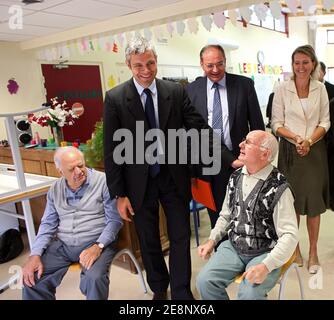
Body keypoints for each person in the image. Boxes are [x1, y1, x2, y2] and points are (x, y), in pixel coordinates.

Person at [103, 36, 241, 300]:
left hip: (173, 178)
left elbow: (201, 129)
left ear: (157, 61)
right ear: (128, 65)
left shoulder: (175, 92)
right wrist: (119, 194)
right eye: (139, 65)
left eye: (151, 63)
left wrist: (228, 158)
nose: (146, 71)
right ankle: (158, 288)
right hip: (138, 185)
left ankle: (180, 291)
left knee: (180, 237)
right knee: (149, 239)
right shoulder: (116, 98)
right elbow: (111, 151)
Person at [196, 130, 298, 300]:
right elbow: (226, 216)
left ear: (264, 154)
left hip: (265, 252)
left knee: (249, 294)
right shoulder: (235, 177)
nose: (240, 145)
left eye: (248, 143)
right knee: (204, 281)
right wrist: (212, 240)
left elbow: (289, 235)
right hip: (234, 246)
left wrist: (266, 266)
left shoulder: (279, 187)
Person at [22, 146, 123, 300]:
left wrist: (98, 246)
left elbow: (114, 220)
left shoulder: (103, 181)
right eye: (71, 169)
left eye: (81, 165)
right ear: (60, 172)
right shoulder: (55, 188)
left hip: (95, 242)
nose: (78, 171)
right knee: (32, 278)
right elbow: (48, 224)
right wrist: (35, 254)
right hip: (63, 245)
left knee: (94, 278)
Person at [186, 44, 264, 229]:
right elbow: (191, 131)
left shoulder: (244, 85)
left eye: (219, 64)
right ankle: (220, 255)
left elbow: (257, 125)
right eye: (209, 65)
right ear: (201, 64)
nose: (215, 70)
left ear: (225, 61)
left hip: (240, 160)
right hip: (208, 164)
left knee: (244, 214)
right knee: (216, 218)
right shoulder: (191, 90)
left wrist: (256, 157)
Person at [271, 45, 330, 274]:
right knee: (291, 203)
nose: (301, 67)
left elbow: (325, 121)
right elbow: (276, 122)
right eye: (297, 62)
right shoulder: (282, 89)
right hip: (289, 151)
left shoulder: (321, 89)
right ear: (292, 64)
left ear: (313, 64)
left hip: (314, 151)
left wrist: (308, 141)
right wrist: (296, 138)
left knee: (314, 204)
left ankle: (313, 251)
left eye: (305, 62)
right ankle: (294, 250)